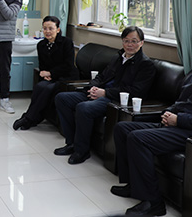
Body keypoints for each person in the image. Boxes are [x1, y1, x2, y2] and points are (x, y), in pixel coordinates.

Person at [110, 33, 192, 217]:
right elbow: (180, 101)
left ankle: (153, 203)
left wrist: (178, 120)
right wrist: (168, 113)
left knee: (138, 138)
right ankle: (133, 184)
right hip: (176, 124)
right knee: (122, 128)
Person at [54, 26, 156, 165]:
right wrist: (93, 87)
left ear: (141, 43)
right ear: (122, 41)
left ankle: (81, 151)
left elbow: (136, 91)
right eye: (126, 41)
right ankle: (71, 143)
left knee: (84, 108)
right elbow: (102, 76)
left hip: (115, 99)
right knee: (62, 98)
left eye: (134, 41)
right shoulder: (118, 57)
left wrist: (105, 93)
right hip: (100, 93)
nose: (130, 45)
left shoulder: (145, 64)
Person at [13, 15, 77, 131]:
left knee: (47, 89)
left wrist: (50, 73)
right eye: (45, 28)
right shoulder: (41, 45)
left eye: (51, 28)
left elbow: (68, 65)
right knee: (39, 86)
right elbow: (42, 64)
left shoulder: (66, 42)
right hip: (50, 77)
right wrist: (45, 73)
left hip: (66, 77)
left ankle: (28, 118)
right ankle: (31, 118)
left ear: (58, 29)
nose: (47, 31)